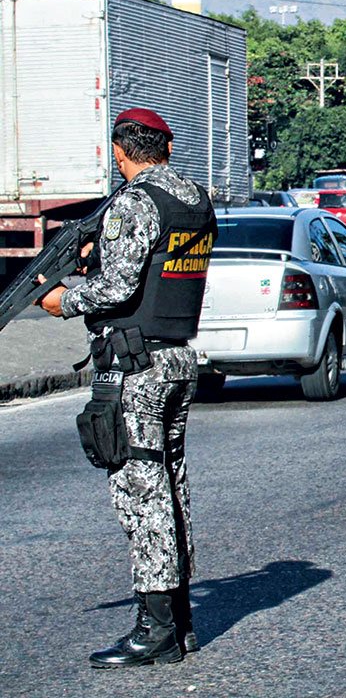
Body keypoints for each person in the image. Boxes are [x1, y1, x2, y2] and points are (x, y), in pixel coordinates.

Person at [38, 108, 217, 668]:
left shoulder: (136, 201)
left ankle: (155, 628)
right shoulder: (195, 198)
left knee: (141, 495)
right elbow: (158, 267)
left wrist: (63, 300)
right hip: (179, 358)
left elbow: (117, 288)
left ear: (122, 152)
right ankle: (180, 621)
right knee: (170, 486)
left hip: (136, 369)